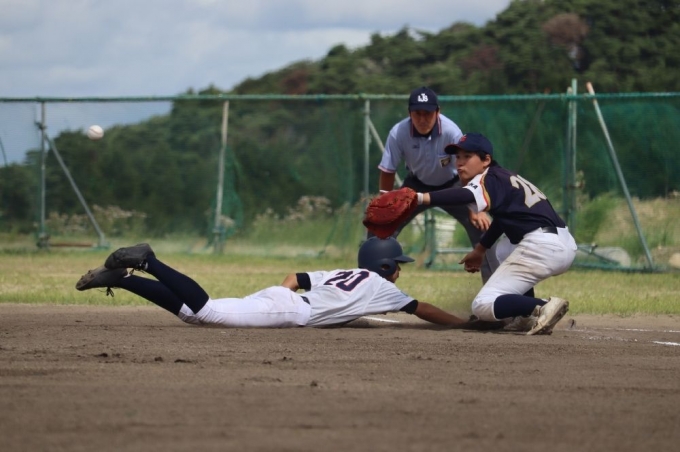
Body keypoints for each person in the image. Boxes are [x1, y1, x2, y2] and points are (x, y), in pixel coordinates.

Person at [76, 239, 503, 330]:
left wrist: (280, 297)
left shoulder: (344, 272)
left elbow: (295, 278)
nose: (400, 273)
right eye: (399, 266)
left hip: (284, 298)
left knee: (193, 315)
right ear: (386, 265)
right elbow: (421, 308)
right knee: (208, 311)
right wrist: (462, 324)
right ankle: (147, 261)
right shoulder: (381, 285)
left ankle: (126, 279)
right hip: (293, 309)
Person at [411, 132, 577, 335]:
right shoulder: (503, 177)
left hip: (541, 246)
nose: (460, 163)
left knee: (482, 304)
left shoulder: (488, 179)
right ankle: (526, 317)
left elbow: (464, 195)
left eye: (467, 156)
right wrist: (480, 249)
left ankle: (543, 306)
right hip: (560, 243)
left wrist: (419, 197)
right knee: (503, 250)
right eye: (458, 157)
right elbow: (502, 220)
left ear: (486, 160)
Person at [376, 86, 492, 281]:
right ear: (409, 113)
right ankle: (373, 283)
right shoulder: (398, 133)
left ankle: (495, 290)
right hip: (416, 185)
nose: (422, 119)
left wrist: (477, 207)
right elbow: (388, 170)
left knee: (482, 226)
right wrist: (384, 201)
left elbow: (466, 167)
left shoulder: (451, 131)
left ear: (438, 112)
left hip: (452, 186)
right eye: (417, 113)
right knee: (380, 226)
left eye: (428, 113)